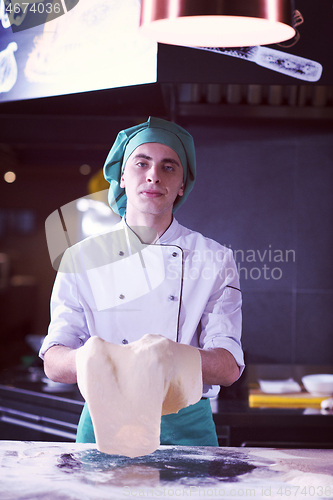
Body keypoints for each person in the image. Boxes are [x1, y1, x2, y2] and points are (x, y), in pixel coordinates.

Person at [40, 117, 244, 447]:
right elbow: (53, 362)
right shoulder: (80, 259)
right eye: (142, 163)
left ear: (182, 185)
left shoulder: (214, 259)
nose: (153, 175)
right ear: (121, 176)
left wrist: (173, 357)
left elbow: (229, 367)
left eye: (168, 167)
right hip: (104, 423)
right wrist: (90, 358)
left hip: (186, 428)